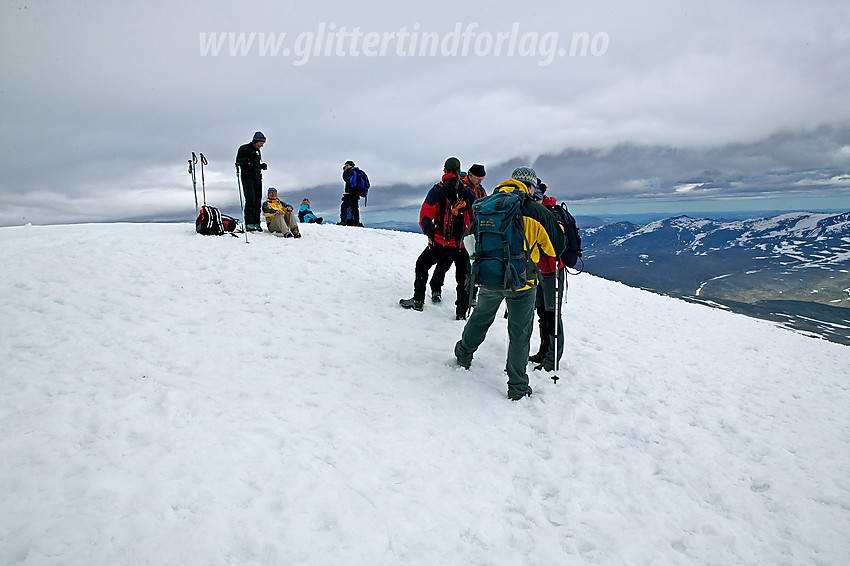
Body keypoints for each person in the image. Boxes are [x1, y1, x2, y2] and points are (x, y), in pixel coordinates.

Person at [453, 166, 567, 401]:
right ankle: (517, 386)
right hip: (523, 282)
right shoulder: (537, 211)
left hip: (490, 277)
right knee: (519, 331)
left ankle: (463, 354)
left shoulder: (486, 206)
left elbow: (469, 239)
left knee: (480, 317)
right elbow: (556, 248)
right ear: (530, 186)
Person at [399, 157, 476, 319]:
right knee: (463, 278)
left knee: (422, 265)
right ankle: (461, 313)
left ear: (445, 170)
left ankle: (418, 300)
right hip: (462, 244)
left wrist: (430, 235)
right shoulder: (468, 192)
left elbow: (425, 216)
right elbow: (475, 217)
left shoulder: (437, 190)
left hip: (442, 241)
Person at [429, 163, 487, 304]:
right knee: (444, 263)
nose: (480, 181)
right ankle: (436, 289)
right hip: (453, 235)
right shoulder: (456, 186)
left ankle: (470, 296)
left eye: (482, 179)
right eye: (478, 178)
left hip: (470, 235)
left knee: (468, 267)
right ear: (470, 174)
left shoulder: (480, 191)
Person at [529, 181, 566, 372]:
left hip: (553, 271)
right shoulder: (536, 212)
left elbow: (558, 240)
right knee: (543, 314)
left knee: (552, 315)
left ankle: (553, 358)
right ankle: (544, 352)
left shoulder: (552, 212)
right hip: (539, 271)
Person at [235, 131, 268, 232]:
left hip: (257, 178)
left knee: (258, 201)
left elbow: (254, 163)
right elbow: (238, 162)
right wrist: (249, 158)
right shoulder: (244, 148)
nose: (262, 145)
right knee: (251, 200)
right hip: (247, 178)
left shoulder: (258, 151)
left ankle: (256, 223)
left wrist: (261, 166)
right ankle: (249, 223)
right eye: (261, 143)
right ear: (256, 141)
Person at [340, 160, 363, 226]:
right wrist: (344, 171)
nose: (346, 166)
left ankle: (343, 221)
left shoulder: (351, 171)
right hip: (356, 193)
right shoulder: (356, 171)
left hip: (351, 193)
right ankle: (356, 222)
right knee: (354, 208)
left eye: (347, 165)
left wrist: (348, 191)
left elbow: (349, 182)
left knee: (344, 206)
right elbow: (346, 179)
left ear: (350, 165)